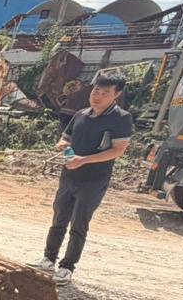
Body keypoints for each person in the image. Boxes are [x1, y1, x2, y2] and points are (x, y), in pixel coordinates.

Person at [33, 69, 132, 285]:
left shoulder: (121, 119)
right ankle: (48, 259)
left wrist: (84, 160)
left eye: (105, 92)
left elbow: (118, 150)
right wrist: (63, 145)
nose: (97, 95)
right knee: (59, 218)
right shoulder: (81, 114)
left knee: (79, 224)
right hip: (69, 176)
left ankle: (67, 267)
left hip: (93, 180)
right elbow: (66, 138)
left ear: (116, 95)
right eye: (96, 90)